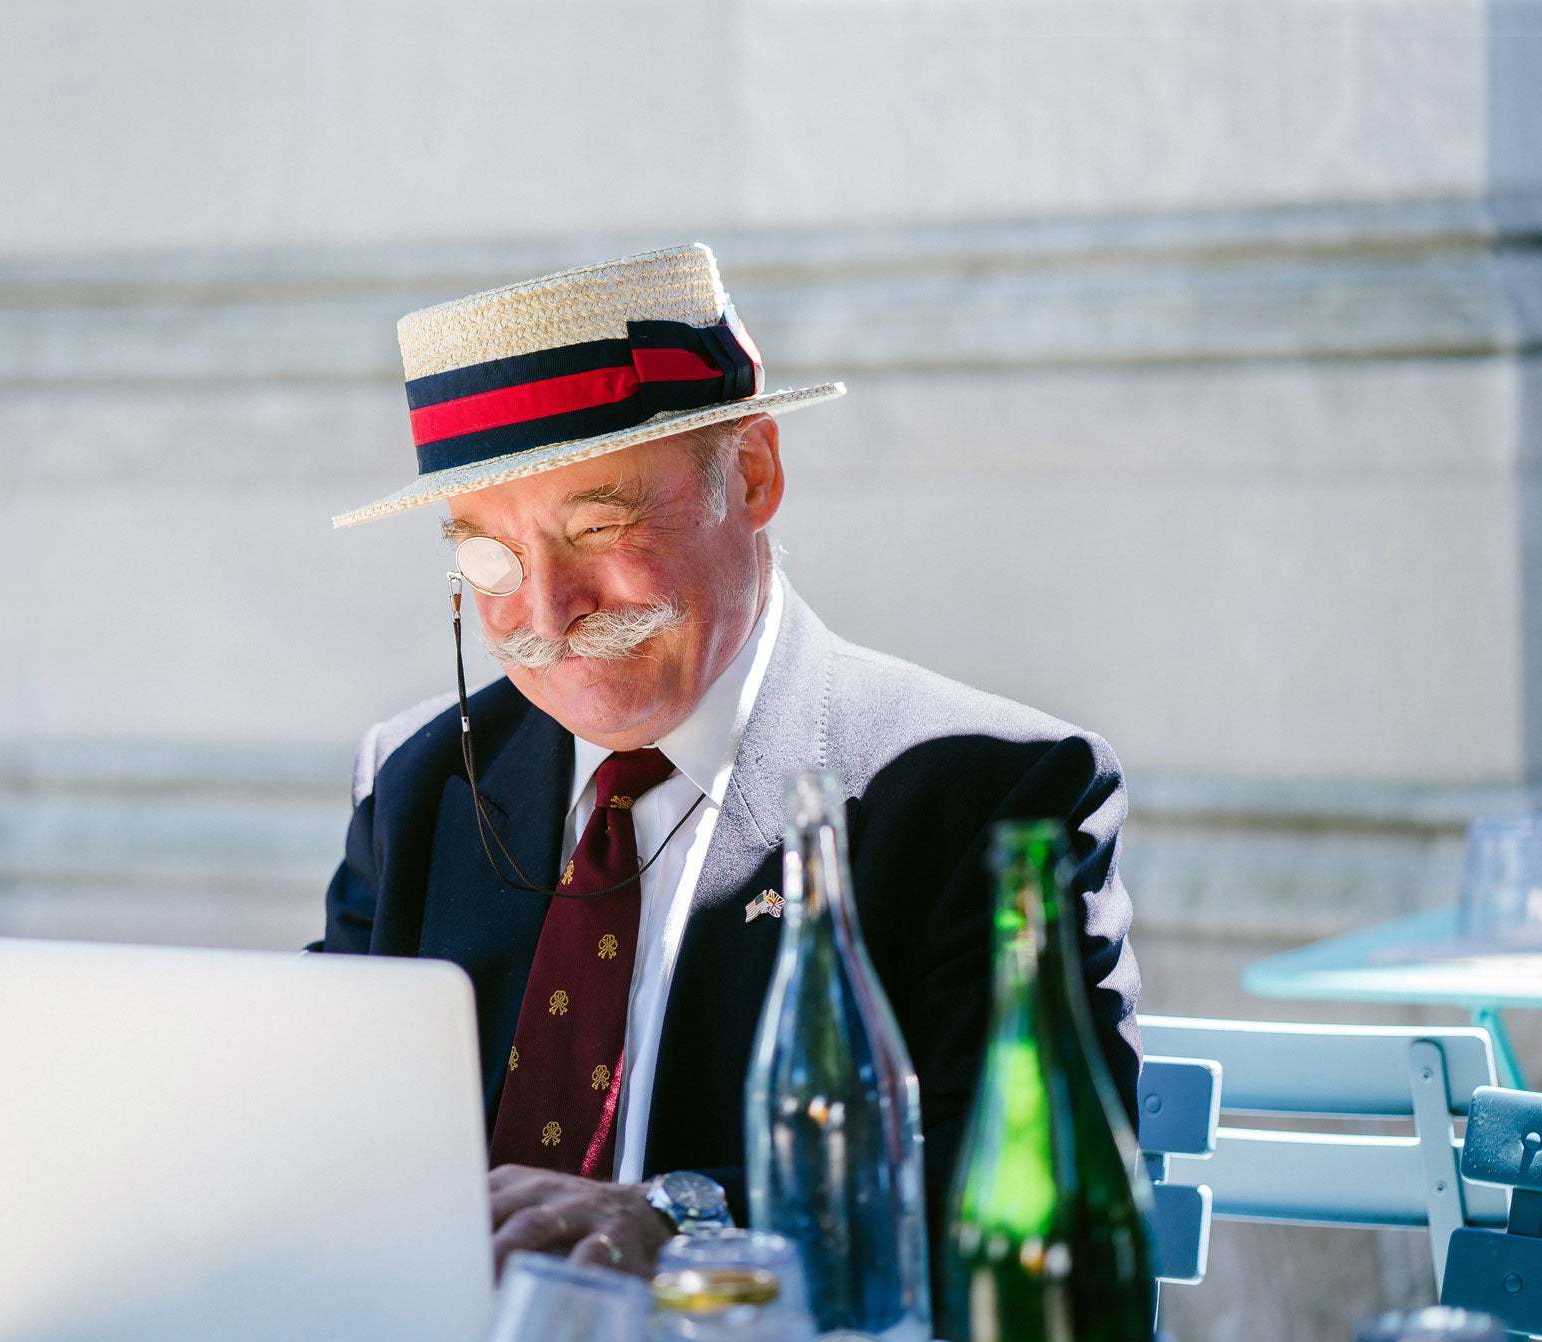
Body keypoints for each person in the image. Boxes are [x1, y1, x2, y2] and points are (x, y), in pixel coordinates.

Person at [316, 245, 1140, 1279]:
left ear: (752, 475)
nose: (545, 613)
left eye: (599, 524)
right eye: (489, 556)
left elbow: (1034, 1218)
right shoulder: (419, 782)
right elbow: (316, 1133)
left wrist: (686, 1228)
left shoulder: (987, 795)